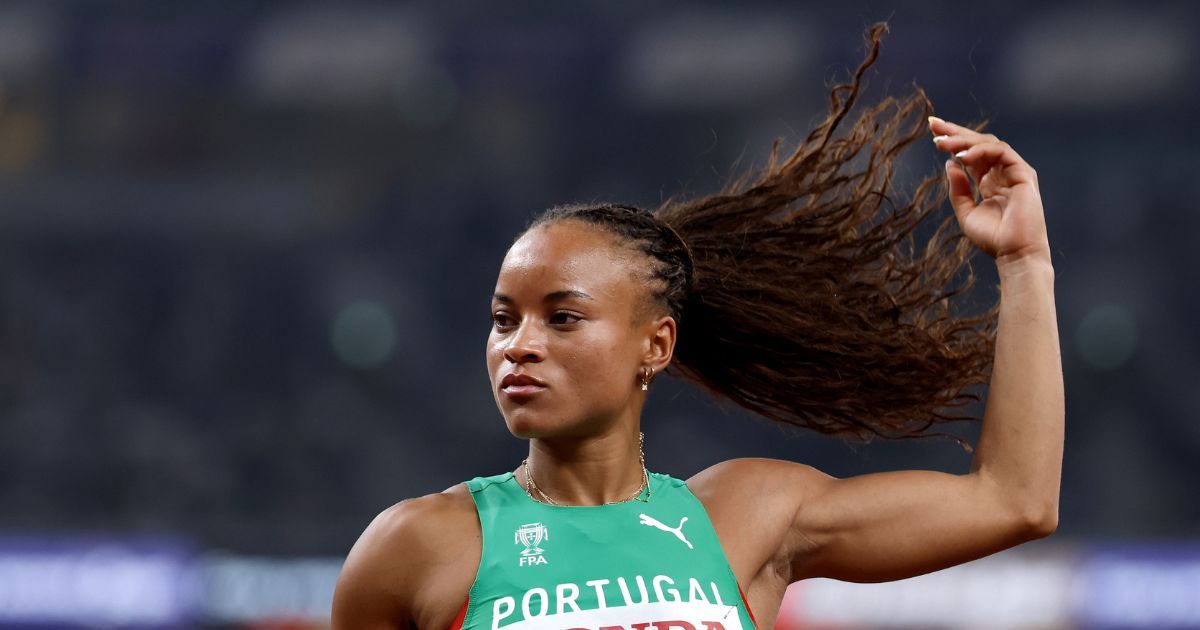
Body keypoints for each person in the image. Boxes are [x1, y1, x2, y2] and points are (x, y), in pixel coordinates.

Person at [332, 25, 1062, 630]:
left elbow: (1013, 501)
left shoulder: (745, 517)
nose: (519, 345)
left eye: (563, 318)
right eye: (503, 319)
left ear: (656, 344)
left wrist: (1025, 263)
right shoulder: (418, 546)